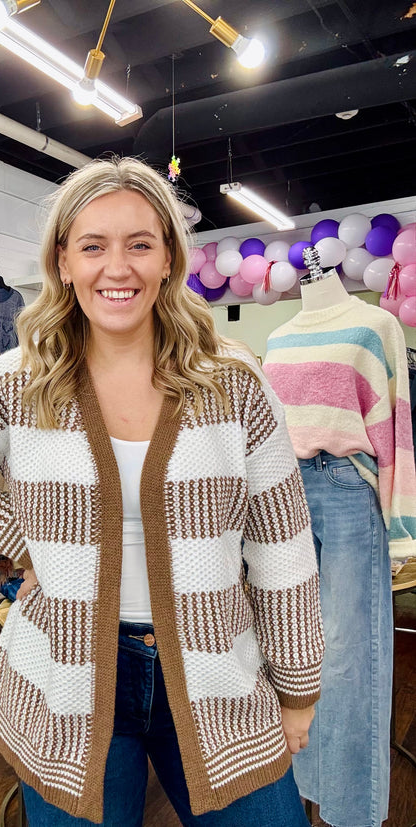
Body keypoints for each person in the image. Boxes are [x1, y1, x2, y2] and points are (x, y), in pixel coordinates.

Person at [0, 157, 324, 827]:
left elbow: (281, 544)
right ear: (64, 261)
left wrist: (297, 690)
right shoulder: (24, 379)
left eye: (139, 244)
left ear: (169, 259)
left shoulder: (233, 383)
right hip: (67, 677)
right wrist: (19, 537)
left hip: (215, 678)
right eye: (93, 246)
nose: (116, 267)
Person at [264, 261, 416, 827]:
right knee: (296, 644)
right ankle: (307, 786)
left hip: (350, 485)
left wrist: (402, 527)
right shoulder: (278, 338)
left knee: (355, 652)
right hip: (288, 491)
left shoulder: (376, 326)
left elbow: (396, 425)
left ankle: (353, 811)